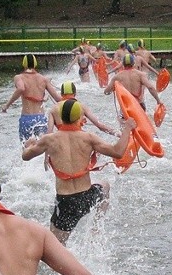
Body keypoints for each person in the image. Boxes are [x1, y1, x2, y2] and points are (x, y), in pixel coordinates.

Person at [22, 99, 136, 245]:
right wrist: (127, 129)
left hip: (66, 202)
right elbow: (118, 152)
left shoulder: (49, 139)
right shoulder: (88, 138)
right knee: (105, 186)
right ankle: (96, 228)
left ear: (61, 117)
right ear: (79, 118)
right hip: (87, 197)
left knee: (54, 247)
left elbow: (26, 157)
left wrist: (28, 145)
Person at [2, 54, 62, 143]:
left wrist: (7, 105)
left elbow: (21, 88)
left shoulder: (19, 77)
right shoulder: (43, 79)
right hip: (40, 118)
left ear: (24, 64)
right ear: (35, 64)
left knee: (26, 147)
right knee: (43, 145)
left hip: (26, 118)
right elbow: (58, 99)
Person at [48, 81, 117, 136]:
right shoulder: (82, 106)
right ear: (75, 93)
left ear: (61, 94)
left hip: (61, 140)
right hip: (79, 139)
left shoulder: (53, 109)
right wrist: (119, 134)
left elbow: (49, 133)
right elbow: (100, 126)